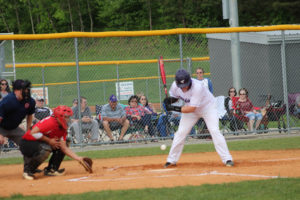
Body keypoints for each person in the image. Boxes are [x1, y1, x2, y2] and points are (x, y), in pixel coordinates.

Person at [163, 69, 233, 168]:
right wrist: (169, 101)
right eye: (181, 86)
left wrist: (174, 108)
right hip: (190, 109)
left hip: (208, 108)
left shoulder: (198, 87)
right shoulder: (175, 85)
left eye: (186, 85)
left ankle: (227, 158)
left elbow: (192, 108)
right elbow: (176, 97)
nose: (184, 88)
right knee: (181, 133)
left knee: (214, 131)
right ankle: (171, 160)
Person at [20, 105, 87, 180]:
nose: (67, 119)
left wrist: (79, 158)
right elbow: (33, 133)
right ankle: (28, 171)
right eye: (66, 117)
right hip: (27, 143)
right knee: (46, 148)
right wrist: (49, 141)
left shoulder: (62, 127)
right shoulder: (50, 122)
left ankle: (51, 169)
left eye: (68, 117)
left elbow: (63, 147)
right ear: (59, 116)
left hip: (39, 141)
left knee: (62, 143)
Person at [0, 80, 35, 146]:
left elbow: (29, 115)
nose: (26, 91)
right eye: (24, 89)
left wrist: (28, 131)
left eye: (27, 89)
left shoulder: (30, 101)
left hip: (14, 128)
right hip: (1, 127)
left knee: (28, 144)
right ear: (16, 91)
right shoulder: (8, 101)